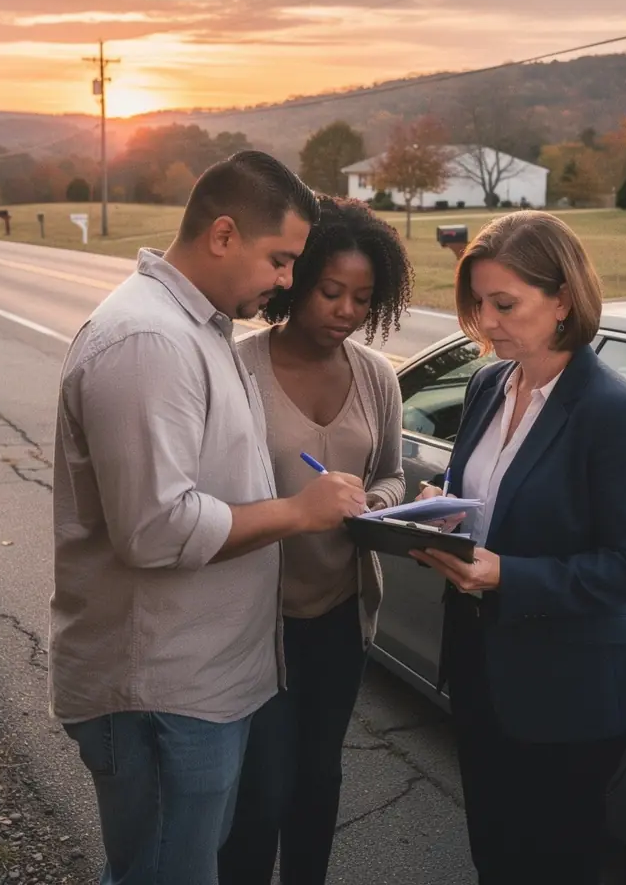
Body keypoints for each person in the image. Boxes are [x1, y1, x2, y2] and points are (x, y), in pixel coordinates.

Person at [49, 153, 368, 885]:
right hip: (159, 693)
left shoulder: (199, 327)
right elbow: (155, 529)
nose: (288, 279)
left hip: (197, 690)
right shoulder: (148, 341)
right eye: (281, 259)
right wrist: (296, 512)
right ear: (223, 236)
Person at [410, 210, 626, 885]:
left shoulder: (616, 412)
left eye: (504, 304)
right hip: (478, 668)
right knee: (494, 854)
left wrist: (509, 576)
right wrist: (442, 515)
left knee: (553, 864)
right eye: (477, 303)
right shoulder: (488, 383)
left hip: (569, 695)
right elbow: (491, 496)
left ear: (562, 300)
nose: (486, 322)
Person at [218, 197, 413, 885]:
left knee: (317, 778)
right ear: (296, 282)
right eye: (331, 291)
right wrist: (298, 507)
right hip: (254, 619)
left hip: (339, 615)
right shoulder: (234, 369)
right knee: (260, 790)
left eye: (362, 298)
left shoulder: (378, 377)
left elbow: (389, 471)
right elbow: (211, 500)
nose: (345, 310)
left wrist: (375, 502)